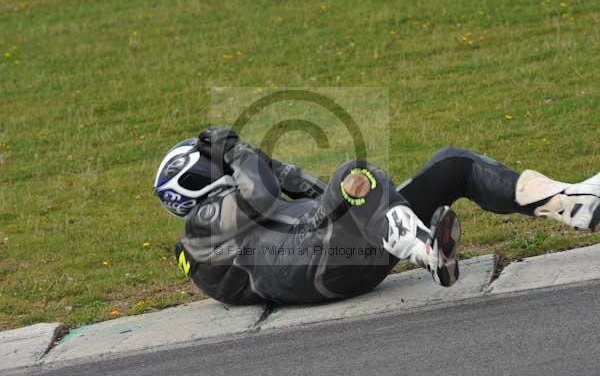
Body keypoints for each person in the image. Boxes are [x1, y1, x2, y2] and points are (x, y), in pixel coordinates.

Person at [153, 127, 600, 305]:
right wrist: (237, 149)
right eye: (214, 162)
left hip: (340, 255)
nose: (224, 165)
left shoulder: (229, 227)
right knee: (355, 173)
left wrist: (272, 164)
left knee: (452, 165)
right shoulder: (202, 225)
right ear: (192, 178)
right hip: (318, 264)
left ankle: (571, 200)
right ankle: (425, 248)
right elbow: (262, 195)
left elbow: (307, 190)